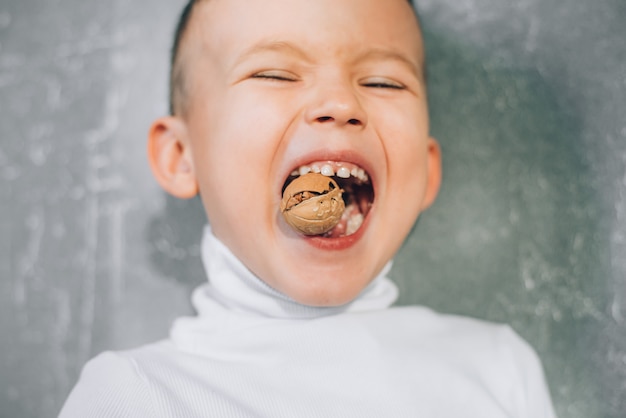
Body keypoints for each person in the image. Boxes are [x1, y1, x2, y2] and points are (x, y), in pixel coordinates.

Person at [60, 0, 557, 416]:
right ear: (181, 157)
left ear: (426, 172)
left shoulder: (499, 369)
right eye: (274, 74)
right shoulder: (133, 396)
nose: (340, 103)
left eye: (384, 82)